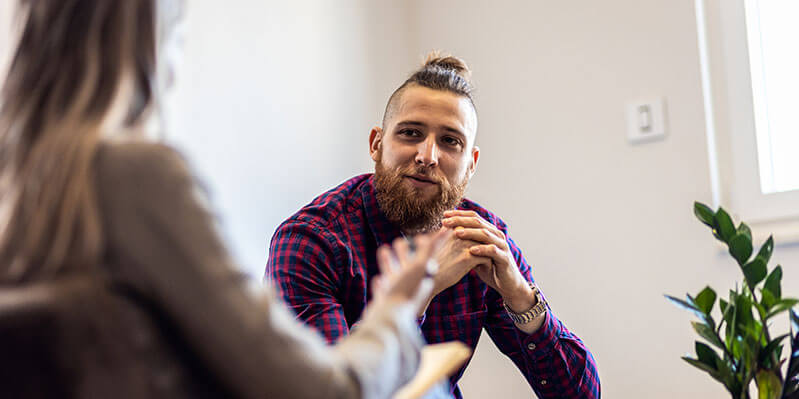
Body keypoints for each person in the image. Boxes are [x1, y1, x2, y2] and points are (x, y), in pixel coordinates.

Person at [0, 1, 442, 398]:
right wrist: (397, 311)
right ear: (150, 45)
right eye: (177, 38)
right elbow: (319, 391)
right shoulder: (134, 177)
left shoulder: (19, 186)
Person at [266, 53, 601, 398]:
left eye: (450, 141)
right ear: (377, 145)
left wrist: (520, 296)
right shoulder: (311, 241)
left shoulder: (481, 239)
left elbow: (580, 394)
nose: (427, 156)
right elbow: (327, 392)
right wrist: (418, 294)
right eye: (411, 133)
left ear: (470, 164)